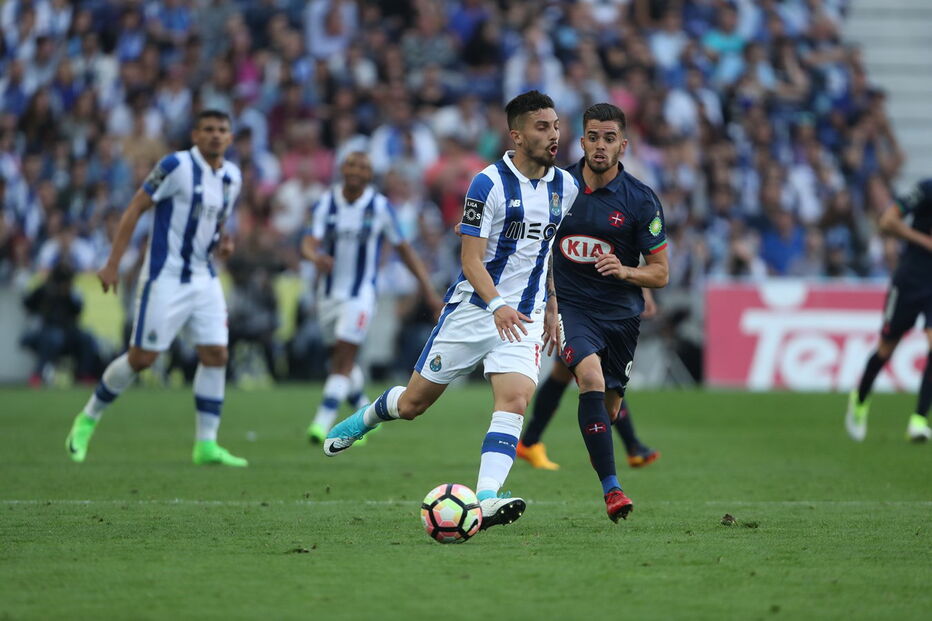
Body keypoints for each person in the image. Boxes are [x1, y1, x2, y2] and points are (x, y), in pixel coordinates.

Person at [323, 91, 579, 531]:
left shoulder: (566, 187)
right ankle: (368, 416)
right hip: (476, 309)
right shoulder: (488, 184)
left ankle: (486, 498)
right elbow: (471, 261)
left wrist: (552, 304)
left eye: (555, 125)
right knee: (413, 404)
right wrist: (497, 304)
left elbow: (547, 250)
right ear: (515, 135)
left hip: (526, 315)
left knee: (514, 400)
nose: (553, 135)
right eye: (542, 127)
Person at [65, 109, 248, 466]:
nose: (215, 135)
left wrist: (223, 243)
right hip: (165, 276)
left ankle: (206, 445)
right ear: (195, 135)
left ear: (229, 138)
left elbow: (217, 220)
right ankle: (87, 418)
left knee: (216, 355)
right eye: (208, 129)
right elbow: (135, 208)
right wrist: (113, 263)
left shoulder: (232, 177)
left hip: (204, 277)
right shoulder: (175, 166)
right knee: (142, 359)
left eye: (222, 130)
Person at [549, 102, 669, 522]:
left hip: (620, 315)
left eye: (610, 139)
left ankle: (608, 450)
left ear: (624, 145)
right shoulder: (555, 186)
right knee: (589, 378)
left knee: (611, 408)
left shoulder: (640, 200)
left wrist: (626, 270)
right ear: (582, 141)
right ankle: (612, 490)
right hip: (570, 306)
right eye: (594, 138)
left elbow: (660, 274)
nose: (601, 146)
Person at [303, 151, 443, 443]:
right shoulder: (326, 202)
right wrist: (313, 256)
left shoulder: (379, 207)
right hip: (327, 295)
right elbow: (309, 241)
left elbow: (405, 250)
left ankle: (321, 423)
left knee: (343, 360)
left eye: (363, 167)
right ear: (342, 169)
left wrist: (428, 291)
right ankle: (363, 411)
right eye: (352, 165)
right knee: (340, 362)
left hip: (361, 294)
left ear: (370, 175)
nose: (356, 170)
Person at [516, 288, 661, 471]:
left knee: (566, 374)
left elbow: (630, 260)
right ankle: (633, 446)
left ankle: (530, 441)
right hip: (577, 308)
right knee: (594, 377)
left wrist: (643, 291)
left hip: (598, 306)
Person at [846, 180, 932, 442]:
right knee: (886, 349)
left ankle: (918, 420)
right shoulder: (926, 189)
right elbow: (887, 221)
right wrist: (925, 242)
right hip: (910, 281)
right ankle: (859, 398)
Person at [21, 262, 100, 386]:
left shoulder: (72, 293)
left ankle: (83, 374)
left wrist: (68, 295)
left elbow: (78, 310)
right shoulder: (45, 290)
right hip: (47, 331)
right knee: (53, 338)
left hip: (69, 331)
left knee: (87, 338)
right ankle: (38, 374)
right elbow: (27, 303)